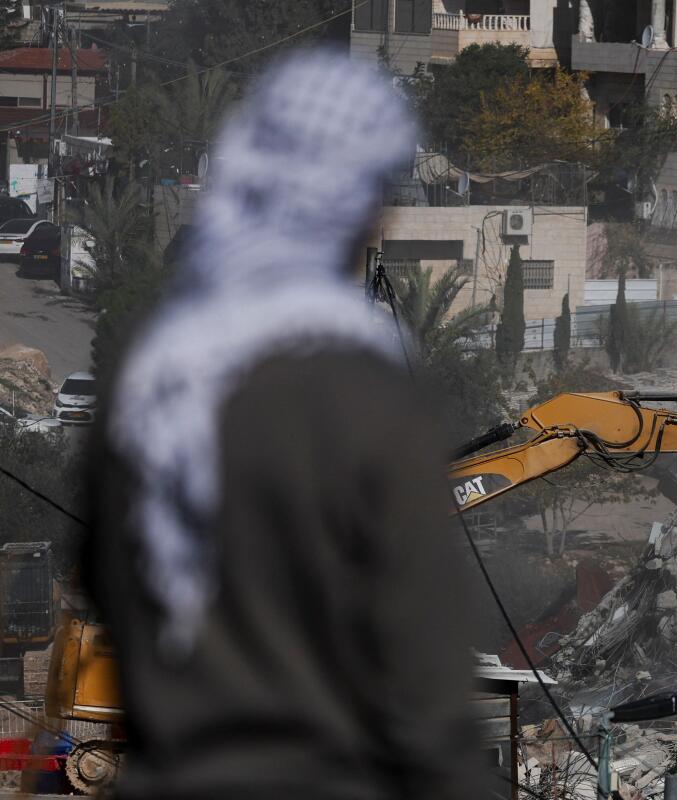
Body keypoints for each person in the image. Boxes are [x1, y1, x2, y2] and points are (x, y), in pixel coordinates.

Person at [86, 51, 479, 799]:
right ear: (365, 207)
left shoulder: (153, 373)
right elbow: (425, 673)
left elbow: (111, 577)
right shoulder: (365, 396)